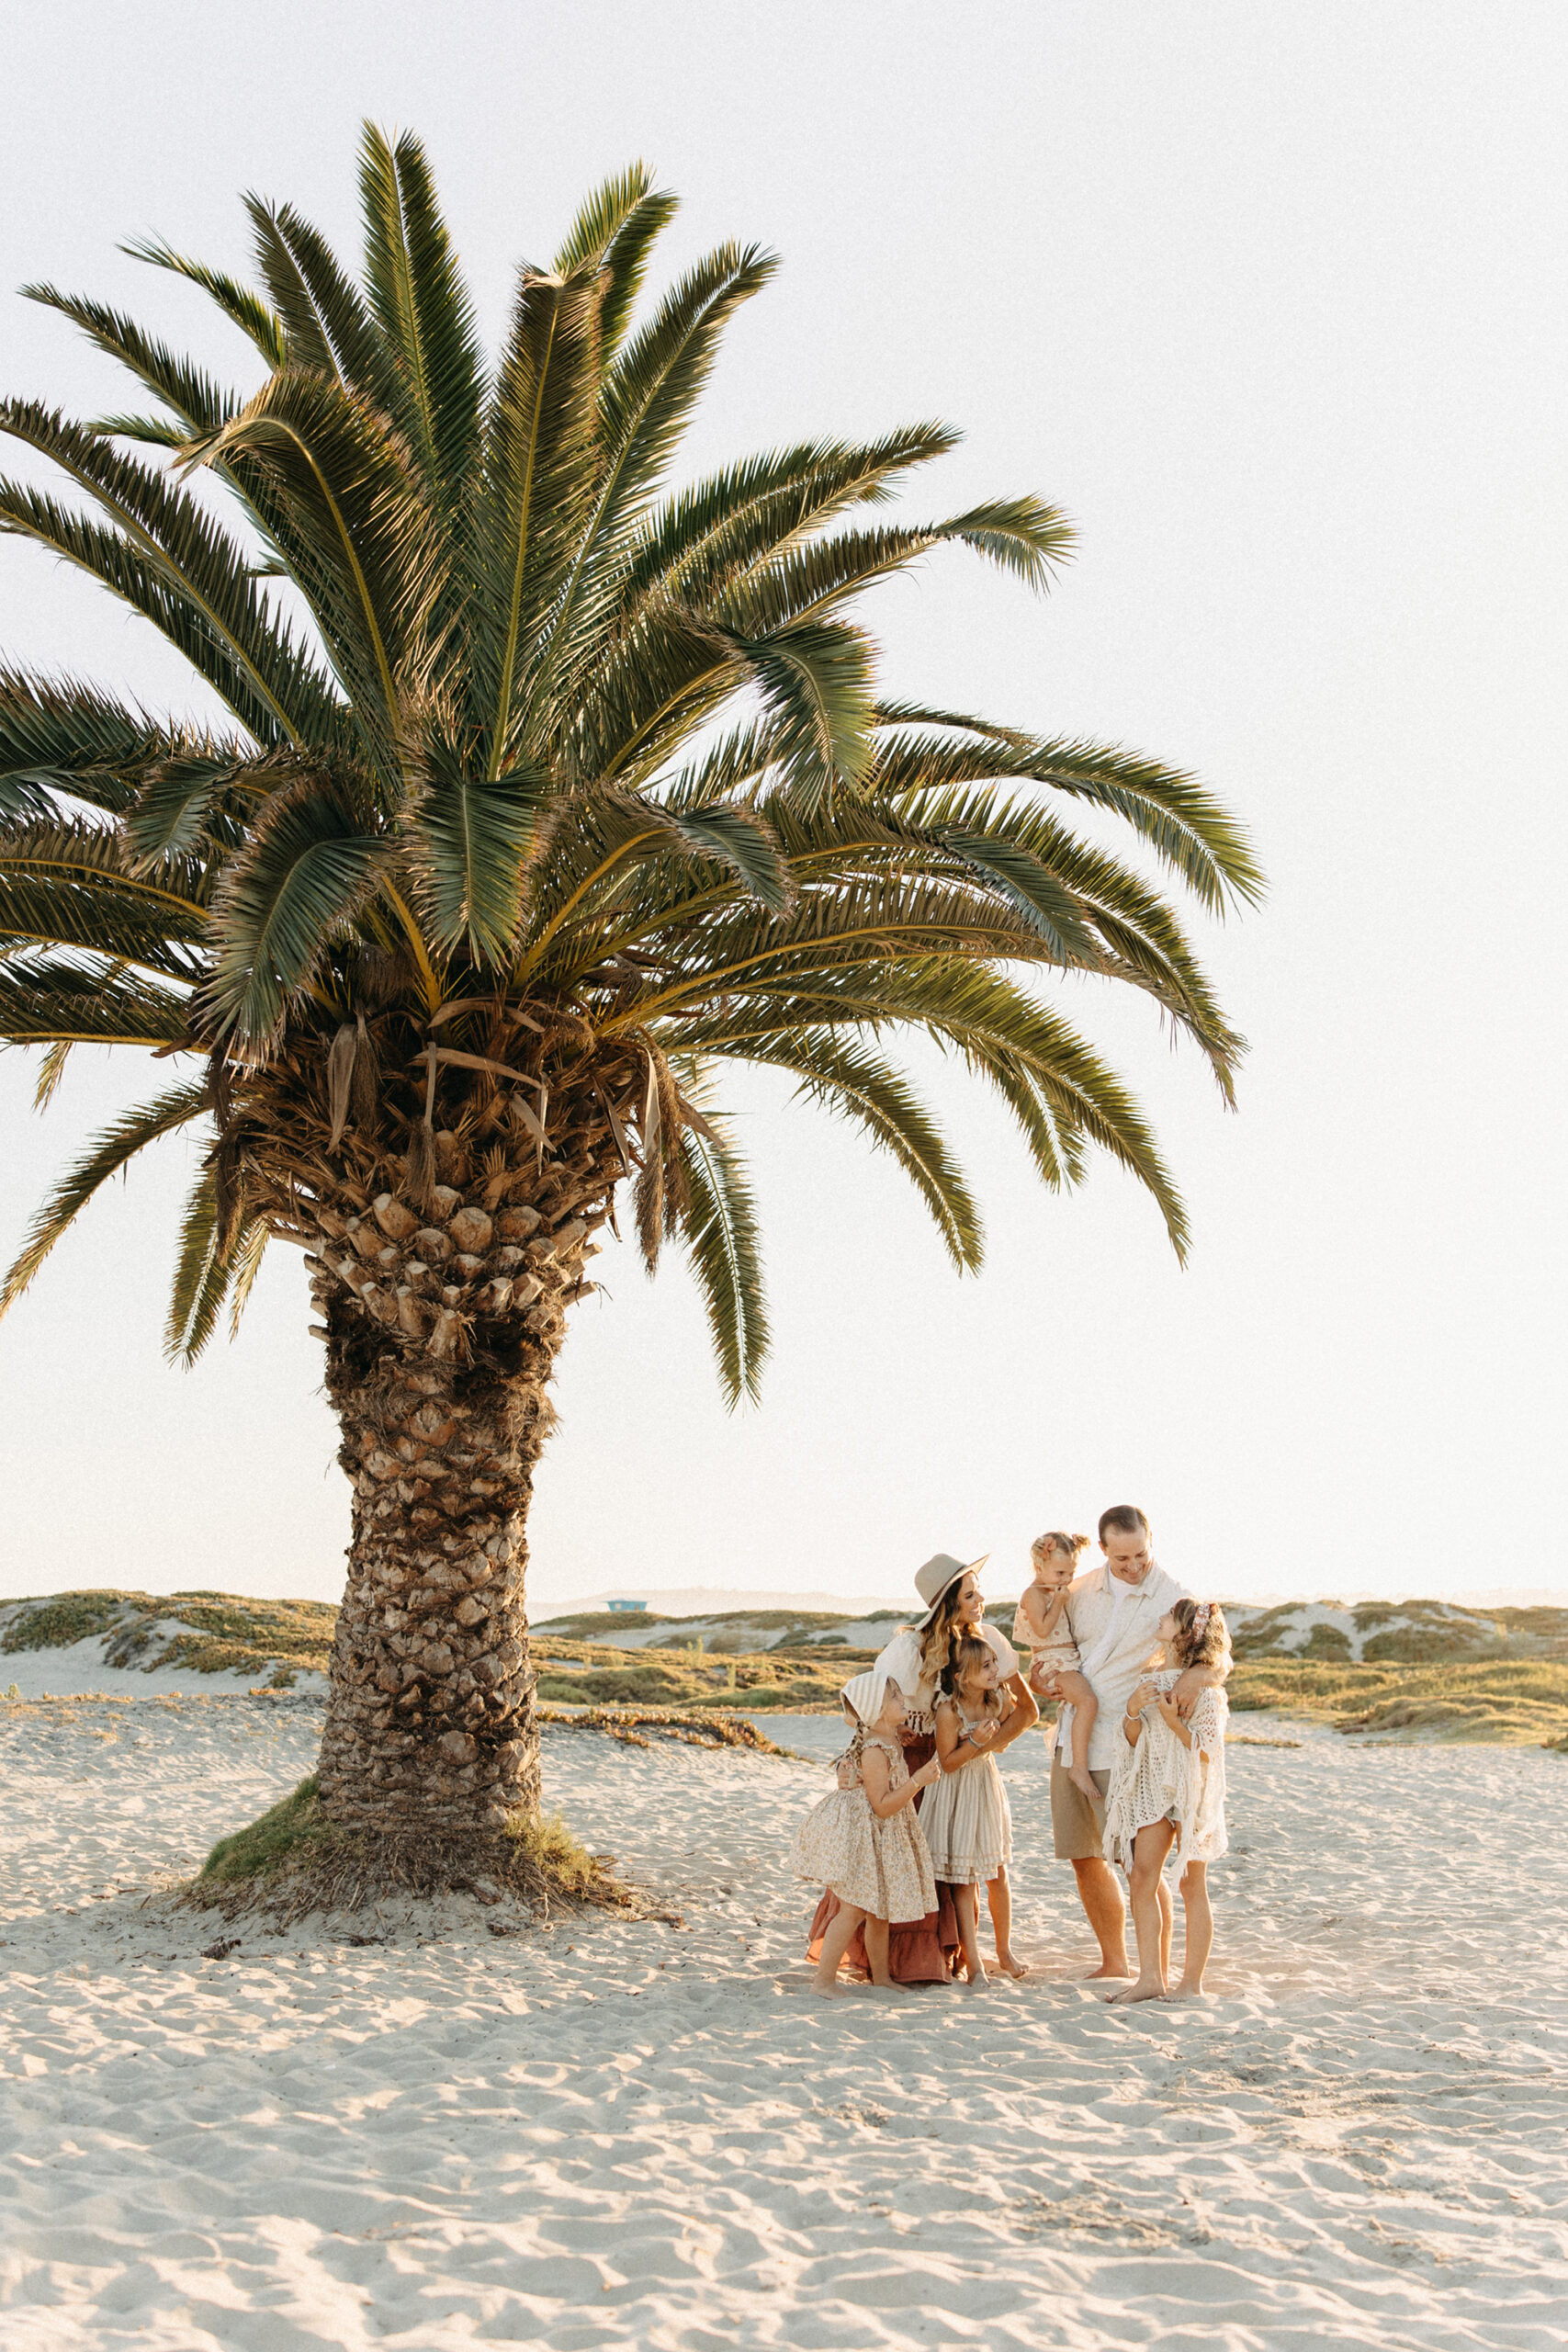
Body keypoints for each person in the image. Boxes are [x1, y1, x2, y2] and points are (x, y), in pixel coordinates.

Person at [1032, 1505, 1226, 1980]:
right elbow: (1050, 1650)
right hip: (1074, 1738)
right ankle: (1114, 1960)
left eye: (1140, 1554)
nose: (1134, 1566)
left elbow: (1219, 1658)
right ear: (1103, 1550)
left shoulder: (1174, 1595)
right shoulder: (1080, 1591)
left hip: (1133, 1746)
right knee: (1082, 1855)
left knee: (1139, 1866)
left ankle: (1152, 1969)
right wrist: (1041, 1680)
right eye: (1122, 1559)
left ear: (1150, 1540)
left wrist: (1194, 1678)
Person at [874, 1553, 1038, 1975]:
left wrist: (984, 1745)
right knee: (932, 1868)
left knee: (981, 1865)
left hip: (966, 1768)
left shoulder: (988, 1643)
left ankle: (991, 1953)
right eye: (970, 1593)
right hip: (918, 1765)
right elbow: (873, 1703)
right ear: (949, 1602)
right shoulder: (910, 1648)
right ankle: (926, 1959)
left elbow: (1027, 1711)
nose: (980, 1598)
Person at [1103, 1600, 1230, 2003]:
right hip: (1153, 1786)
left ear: (1185, 1631)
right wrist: (1132, 1709)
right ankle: (1150, 1978)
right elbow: (1135, 1743)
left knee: (1193, 1884)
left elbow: (1209, 1752)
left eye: (1169, 1617)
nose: (1159, 1619)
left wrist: (1174, 1722)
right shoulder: (1151, 1678)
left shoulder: (1205, 1690)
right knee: (1142, 1876)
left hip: (1191, 1790)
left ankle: (1191, 1984)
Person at [793, 1667, 941, 1996]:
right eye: (895, 1697)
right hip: (866, 1836)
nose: (903, 1700)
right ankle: (823, 1981)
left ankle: (882, 1976)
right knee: (854, 1910)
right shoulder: (874, 1751)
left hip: (883, 1836)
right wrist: (919, 1780)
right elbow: (882, 1806)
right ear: (875, 1710)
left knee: (880, 1910)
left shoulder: (888, 1738)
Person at [920, 1634, 1033, 1984]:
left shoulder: (996, 1699)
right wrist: (976, 1743)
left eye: (994, 1663)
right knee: (964, 1881)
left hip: (985, 1788)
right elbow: (948, 1763)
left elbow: (1018, 1719)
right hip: (955, 1794)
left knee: (998, 1873)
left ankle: (1004, 1950)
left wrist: (993, 1744)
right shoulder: (948, 1710)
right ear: (961, 1676)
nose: (994, 1671)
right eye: (986, 1666)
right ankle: (975, 1966)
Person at [1012, 1532, 1100, 1808]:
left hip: (1067, 1657)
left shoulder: (1054, 1590)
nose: (1066, 1580)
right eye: (1060, 1572)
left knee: (1083, 1702)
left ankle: (1078, 1761)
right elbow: (1041, 1629)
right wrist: (1060, 1602)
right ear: (1039, 1566)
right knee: (1088, 1701)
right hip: (1053, 1660)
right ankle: (1078, 1767)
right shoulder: (1035, 1593)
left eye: (1071, 1573)